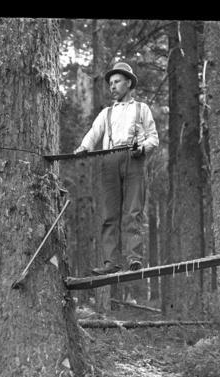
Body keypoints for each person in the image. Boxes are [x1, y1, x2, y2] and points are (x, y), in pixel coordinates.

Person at [74, 62, 158, 275]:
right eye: (110, 83)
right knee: (109, 213)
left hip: (134, 159)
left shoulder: (142, 109)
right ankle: (111, 262)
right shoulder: (106, 113)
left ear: (128, 83)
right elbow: (94, 132)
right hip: (109, 160)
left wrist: (142, 148)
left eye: (117, 82)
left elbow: (153, 138)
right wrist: (84, 147)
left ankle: (134, 258)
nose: (112, 86)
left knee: (133, 211)